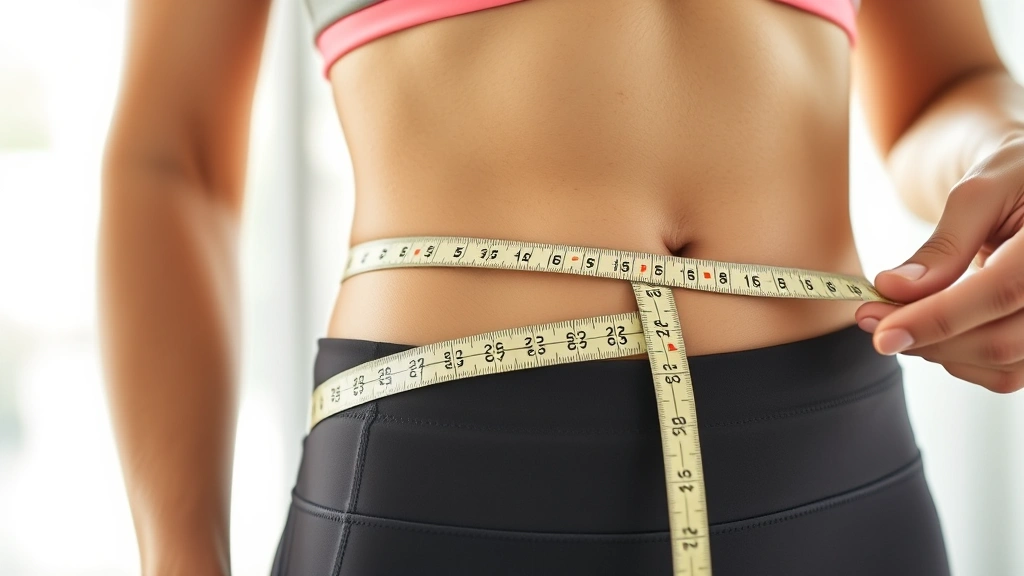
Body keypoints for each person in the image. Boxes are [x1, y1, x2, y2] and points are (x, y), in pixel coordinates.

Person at [98, 0, 1024, 574]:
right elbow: (170, 160)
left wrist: (1003, 155)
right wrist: (180, 560)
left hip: (840, 468)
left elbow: (946, 84)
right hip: (448, 465)